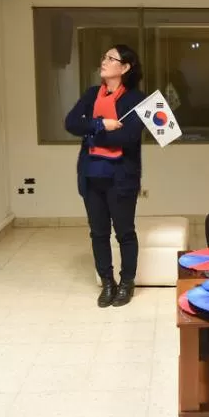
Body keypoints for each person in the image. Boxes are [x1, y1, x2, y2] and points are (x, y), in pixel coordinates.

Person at [64, 44, 146, 308]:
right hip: (91, 175)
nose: (104, 61)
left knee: (124, 232)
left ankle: (126, 282)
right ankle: (107, 282)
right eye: (104, 57)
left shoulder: (136, 99)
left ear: (124, 68)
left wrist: (92, 132)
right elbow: (71, 123)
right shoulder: (91, 94)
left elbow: (129, 136)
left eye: (111, 58)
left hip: (121, 177)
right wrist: (101, 123)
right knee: (98, 233)